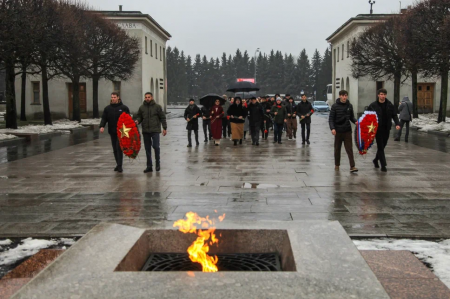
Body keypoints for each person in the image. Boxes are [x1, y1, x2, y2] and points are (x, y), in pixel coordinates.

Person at [368, 89, 400, 172]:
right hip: (377, 129)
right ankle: (383, 165)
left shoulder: (389, 105)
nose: (383, 96)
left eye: (384, 94)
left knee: (383, 145)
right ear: (378, 95)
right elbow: (367, 116)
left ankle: (375, 160)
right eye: (381, 94)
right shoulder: (373, 105)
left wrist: (397, 124)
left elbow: (394, 115)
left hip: (387, 128)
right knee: (380, 146)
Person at [135, 92, 167, 173]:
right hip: (146, 130)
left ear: (152, 97)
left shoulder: (157, 107)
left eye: (148, 97)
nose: (147, 99)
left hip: (155, 130)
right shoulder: (142, 107)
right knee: (147, 149)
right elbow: (139, 116)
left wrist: (164, 127)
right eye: (146, 97)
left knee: (156, 146)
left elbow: (162, 117)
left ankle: (157, 164)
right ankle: (149, 166)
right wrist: (137, 121)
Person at [100, 92, 130, 173]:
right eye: (112, 97)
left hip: (121, 131)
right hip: (112, 131)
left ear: (118, 97)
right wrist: (102, 126)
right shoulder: (107, 108)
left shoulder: (123, 108)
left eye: (114, 97)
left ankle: (120, 165)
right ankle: (118, 164)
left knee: (119, 147)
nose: (113, 98)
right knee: (114, 148)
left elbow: (128, 119)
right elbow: (104, 118)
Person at [329, 90, 358, 173]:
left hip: (347, 130)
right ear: (340, 96)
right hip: (338, 131)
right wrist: (332, 128)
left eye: (346, 95)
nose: (344, 97)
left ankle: (352, 166)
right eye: (343, 95)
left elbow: (352, 117)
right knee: (337, 148)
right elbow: (331, 119)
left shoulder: (350, 106)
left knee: (349, 149)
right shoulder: (334, 106)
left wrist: (356, 122)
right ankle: (337, 165)